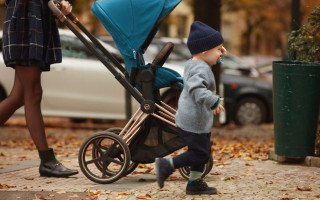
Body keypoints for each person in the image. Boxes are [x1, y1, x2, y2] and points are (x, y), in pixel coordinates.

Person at [0, 0, 78, 177]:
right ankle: (47, 161)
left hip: (32, 28)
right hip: (24, 29)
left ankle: (47, 162)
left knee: (18, 97)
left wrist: (60, 2)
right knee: (34, 94)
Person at [155, 21, 226, 195]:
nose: (221, 53)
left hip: (197, 120)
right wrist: (213, 101)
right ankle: (166, 165)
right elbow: (197, 91)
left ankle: (194, 183)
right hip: (193, 120)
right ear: (205, 51)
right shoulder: (200, 68)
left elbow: (212, 57)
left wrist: (219, 52)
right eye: (219, 49)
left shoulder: (196, 63)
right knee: (201, 153)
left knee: (201, 150)